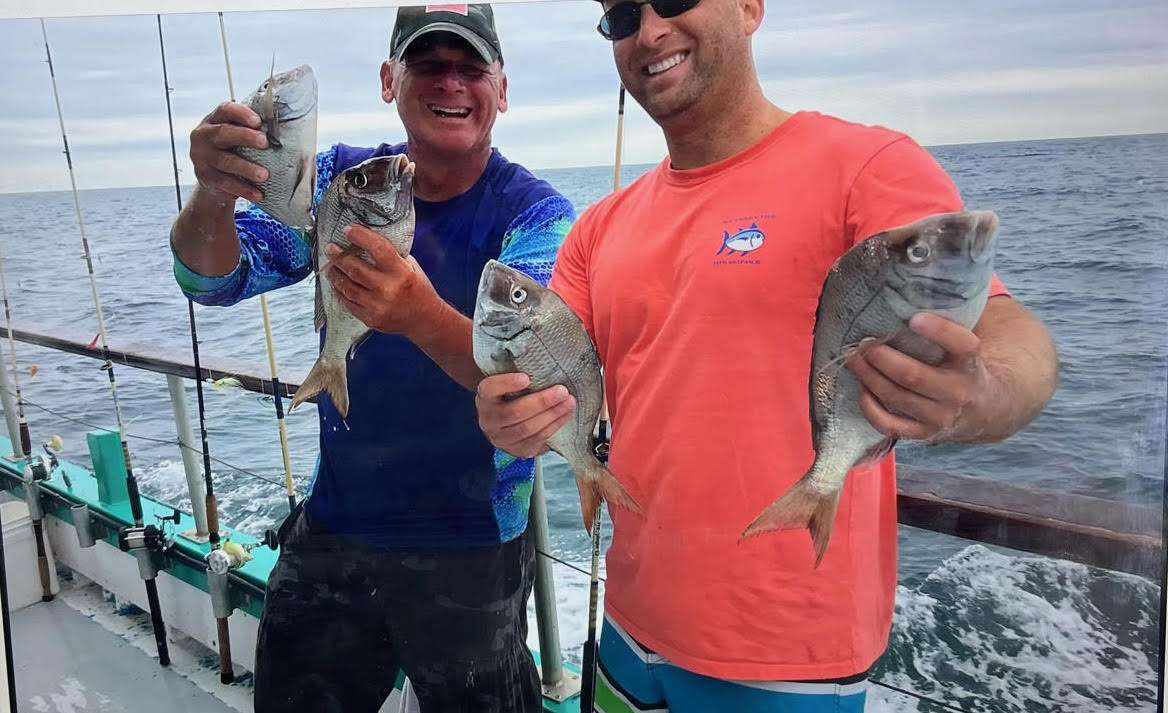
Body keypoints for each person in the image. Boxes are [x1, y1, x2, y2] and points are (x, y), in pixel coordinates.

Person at [474, 0, 1059, 711]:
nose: (650, 30)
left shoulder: (864, 167)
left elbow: (1011, 332)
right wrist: (512, 413)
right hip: (629, 622)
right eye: (622, 14)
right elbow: (554, 374)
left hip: (784, 654)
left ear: (751, 8)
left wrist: (974, 390)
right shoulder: (601, 225)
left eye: (675, 0)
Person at [169, 5, 574, 712]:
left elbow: (527, 380)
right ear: (391, 80)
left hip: (472, 546)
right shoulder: (343, 182)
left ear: (500, 90)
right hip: (336, 527)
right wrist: (213, 191)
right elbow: (212, 279)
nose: (450, 82)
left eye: (470, 66)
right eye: (427, 64)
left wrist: (417, 314)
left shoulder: (536, 215)